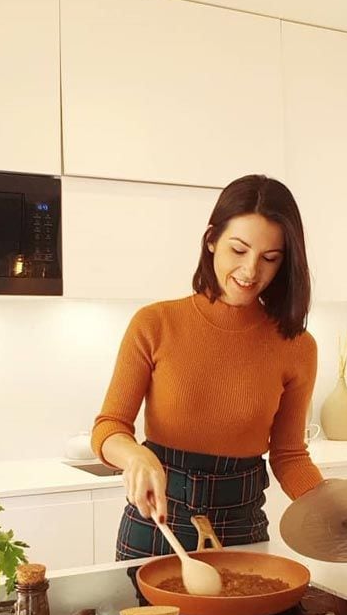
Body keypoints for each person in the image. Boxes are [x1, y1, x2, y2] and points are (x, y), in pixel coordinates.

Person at [91, 174, 323, 560]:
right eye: (238, 250)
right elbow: (109, 427)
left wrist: (331, 509)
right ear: (212, 239)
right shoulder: (154, 323)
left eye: (270, 258)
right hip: (156, 524)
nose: (250, 272)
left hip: (243, 527)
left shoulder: (297, 347)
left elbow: (289, 455)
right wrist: (136, 456)